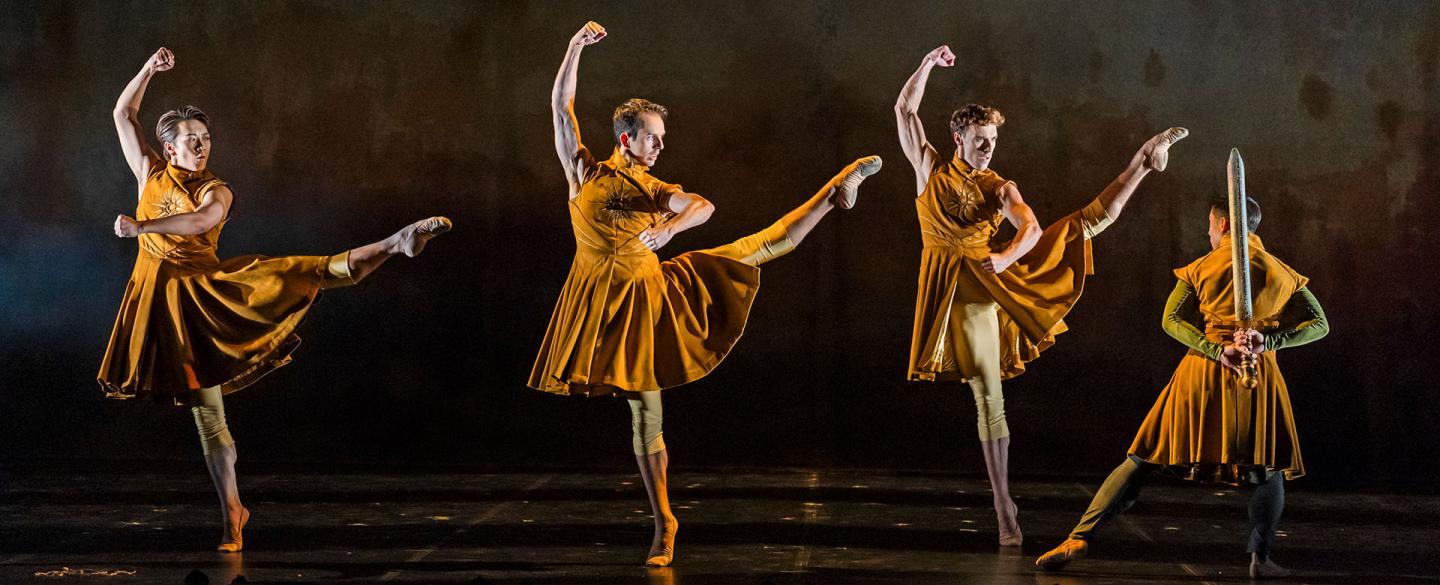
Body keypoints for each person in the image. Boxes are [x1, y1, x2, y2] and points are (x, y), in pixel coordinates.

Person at [530, 21, 881, 567]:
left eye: (662, 139)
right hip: (601, 304)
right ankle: (666, 518)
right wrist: (574, 47)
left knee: (753, 250)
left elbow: (701, 205)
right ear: (627, 137)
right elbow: (560, 105)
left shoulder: (656, 188)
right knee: (638, 416)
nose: (660, 146)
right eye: (653, 137)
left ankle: (836, 189)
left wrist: (670, 230)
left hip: (653, 297)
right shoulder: (585, 173)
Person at [99, 47, 451, 552]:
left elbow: (200, 223)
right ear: (170, 149)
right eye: (191, 140)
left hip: (207, 298)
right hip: (163, 306)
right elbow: (123, 114)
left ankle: (397, 241)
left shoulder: (215, 191)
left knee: (302, 273)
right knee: (209, 416)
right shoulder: (149, 173)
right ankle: (234, 513)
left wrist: (142, 226)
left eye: (205, 139)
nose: (201, 146)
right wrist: (148, 71)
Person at [894, 44, 1188, 545]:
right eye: (980, 140)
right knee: (985, 397)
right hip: (944, 290)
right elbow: (905, 110)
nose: (988, 148)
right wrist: (925, 65)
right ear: (958, 136)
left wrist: (1005, 258)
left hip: (983, 292)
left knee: (1076, 231)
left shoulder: (1000, 187)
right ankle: (1142, 161)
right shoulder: (929, 168)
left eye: (993, 141)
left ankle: (1002, 502)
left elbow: (1028, 228)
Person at [1035, 196, 1328, 579]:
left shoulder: (1201, 268)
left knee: (1142, 457)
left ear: (1224, 225)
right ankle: (1261, 558)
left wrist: (1214, 348)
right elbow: (1319, 323)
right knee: (1268, 469)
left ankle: (1080, 536)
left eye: (1210, 223)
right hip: (1258, 375)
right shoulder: (1283, 273)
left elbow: (1171, 320)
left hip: (1202, 373)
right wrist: (1268, 342)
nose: (1207, 230)